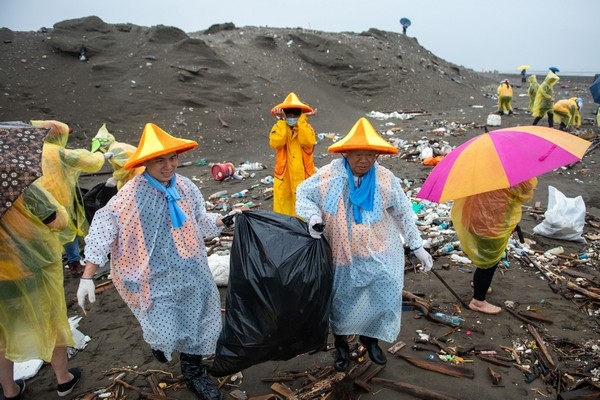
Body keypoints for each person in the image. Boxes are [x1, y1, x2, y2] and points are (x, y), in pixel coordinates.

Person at [77, 123, 243, 400]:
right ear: (145, 163)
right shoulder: (131, 196)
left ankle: (193, 370)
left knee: (198, 321)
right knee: (163, 327)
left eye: (173, 158)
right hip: (154, 275)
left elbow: (200, 219)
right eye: (160, 160)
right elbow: (104, 229)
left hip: (192, 269)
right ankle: (161, 345)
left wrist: (220, 220)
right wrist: (87, 275)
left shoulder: (186, 187)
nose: (168, 166)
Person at [295, 117, 433, 372]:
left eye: (370, 155)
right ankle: (342, 346)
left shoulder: (385, 178)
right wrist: (313, 216)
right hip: (341, 253)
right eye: (358, 154)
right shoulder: (330, 175)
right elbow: (303, 193)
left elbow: (402, 212)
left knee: (383, 292)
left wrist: (417, 245)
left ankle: (371, 340)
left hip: (378, 249)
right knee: (342, 301)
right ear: (346, 153)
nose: (364, 160)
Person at [0, 180, 81, 399]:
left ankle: (9, 390)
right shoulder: (13, 180)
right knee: (51, 320)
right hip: (30, 269)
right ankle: (64, 379)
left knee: (3, 333)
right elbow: (57, 221)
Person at [31, 120, 107, 277]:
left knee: (41, 232)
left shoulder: (30, 151)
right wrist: (101, 156)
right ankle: (74, 262)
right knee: (66, 227)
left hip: (35, 199)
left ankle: (42, 264)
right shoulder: (58, 152)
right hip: (59, 198)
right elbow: (88, 161)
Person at [451, 178, 537, 314]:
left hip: (473, 216)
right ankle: (478, 301)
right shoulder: (508, 171)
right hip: (491, 223)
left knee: (483, 255)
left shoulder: (479, 167)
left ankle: (479, 285)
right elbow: (525, 193)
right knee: (489, 263)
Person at [269, 92, 317, 216]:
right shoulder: (278, 127)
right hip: (284, 177)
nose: (291, 117)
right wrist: (281, 121)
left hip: (305, 176)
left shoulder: (306, 128)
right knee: (284, 209)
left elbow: (307, 142)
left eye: (295, 114)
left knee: (305, 208)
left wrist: (302, 121)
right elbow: (276, 143)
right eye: (288, 114)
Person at [91, 123, 145, 189]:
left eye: (99, 149)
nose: (100, 151)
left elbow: (128, 167)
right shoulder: (116, 147)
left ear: (103, 146)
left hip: (138, 179)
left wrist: (115, 178)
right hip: (137, 177)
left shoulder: (116, 150)